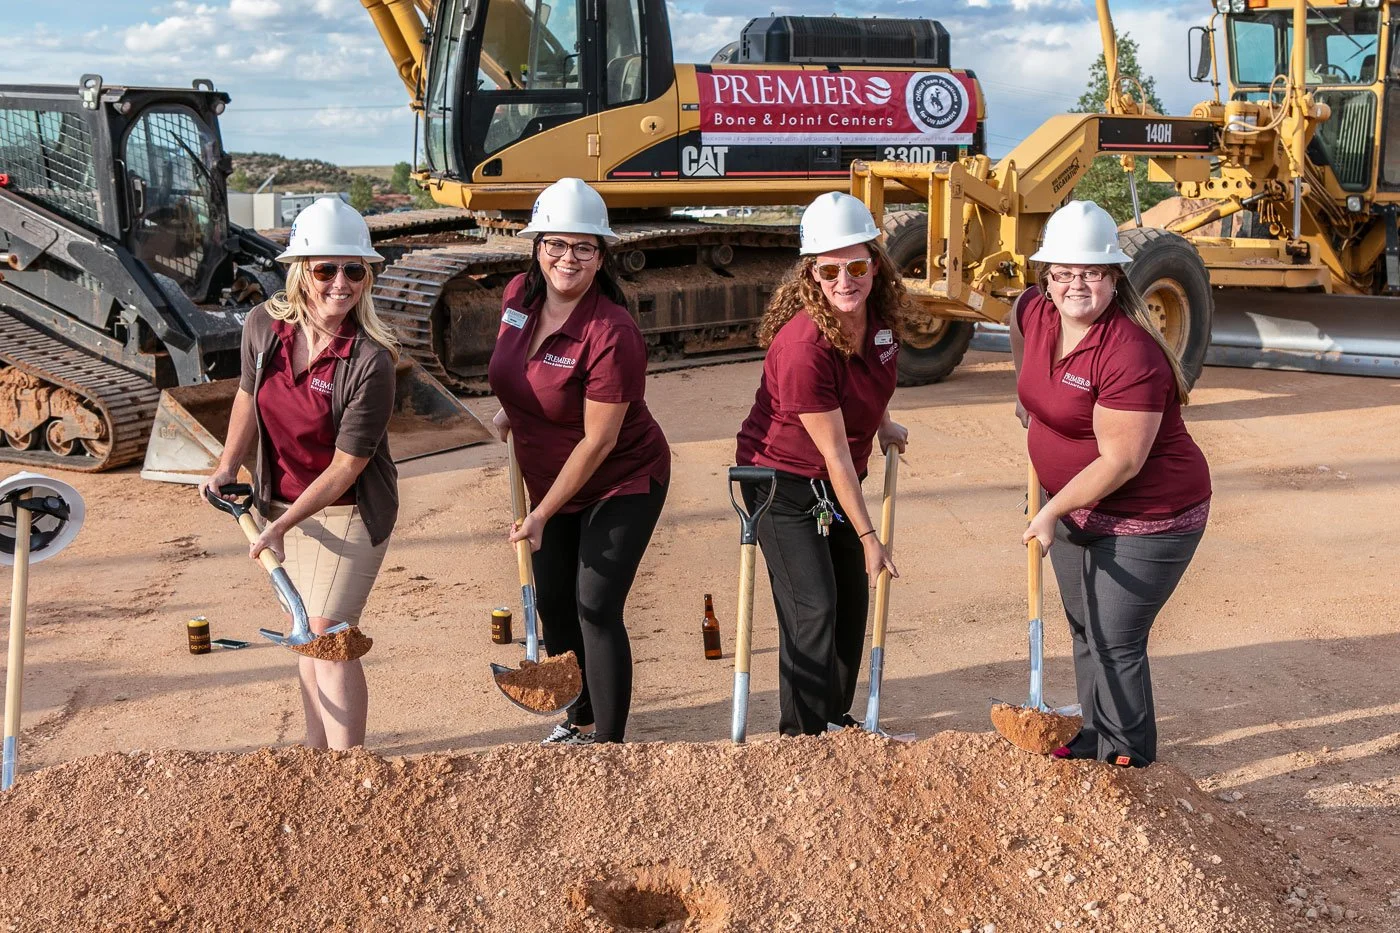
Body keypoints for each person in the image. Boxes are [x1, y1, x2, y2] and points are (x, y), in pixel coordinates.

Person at [1010, 200, 1211, 768]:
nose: (1076, 284)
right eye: (1064, 272)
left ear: (1115, 277)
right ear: (1046, 276)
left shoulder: (1130, 352)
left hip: (1148, 516)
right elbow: (1016, 319)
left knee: (1115, 638)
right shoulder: (1036, 310)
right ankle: (1095, 733)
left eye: (1092, 272)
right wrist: (1026, 394)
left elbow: (1121, 461)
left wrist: (1051, 510)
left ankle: (1128, 755)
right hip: (1074, 508)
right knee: (1085, 627)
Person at [200, 196, 399, 750]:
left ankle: (348, 765)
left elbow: (347, 466)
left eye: (354, 270)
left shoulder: (370, 361)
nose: (341, 283)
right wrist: (227, 466)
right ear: (300, 272)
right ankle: (317, 760)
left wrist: (281, 527)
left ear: (367, 276)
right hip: (279, 503)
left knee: (330, 637)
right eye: (326, 269)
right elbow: (247, 396)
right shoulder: (264, 326)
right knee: (305, 633)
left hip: (348, 511)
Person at [487, 177, 670, 746]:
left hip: (621, 478)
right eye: (557, 244)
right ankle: (579, 721)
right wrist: (514, 406)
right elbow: (514, 366)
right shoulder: (518, 297)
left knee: (594, 605)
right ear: (537, 246)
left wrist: (541, 514)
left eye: (584, 247)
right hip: (549, 477)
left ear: (601, 256)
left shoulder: (611, 332)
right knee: (554, 605)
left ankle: (610, 745)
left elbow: (598, 441)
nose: (568, 258)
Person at [734, 192, 912, 737]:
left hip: (832, 484)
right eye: (829, 270)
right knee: (812, 608)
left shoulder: (880, 322)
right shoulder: (803, 348)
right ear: (811, 274)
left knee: (850, 606)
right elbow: (833, 452)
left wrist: (881, 423)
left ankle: (833, 720)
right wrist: (869, 537)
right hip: (781, 485)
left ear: (875, 265)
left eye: (855, 267)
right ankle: (803, 735)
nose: (844, 281)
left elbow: (867, 382)